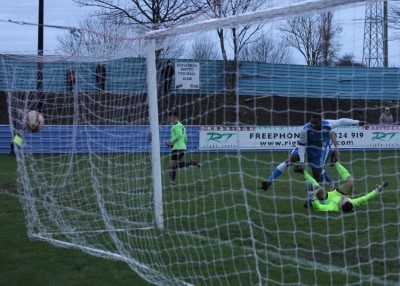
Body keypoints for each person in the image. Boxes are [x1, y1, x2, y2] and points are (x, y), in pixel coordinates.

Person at [261, 131, 339, 191]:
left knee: (318, 170)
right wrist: (301, 161)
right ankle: (269, 181)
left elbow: (333, 134)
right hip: (305, 145)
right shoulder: (308, 126)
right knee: (290, 160)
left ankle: (318, 191)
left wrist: (336, 148)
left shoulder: (329, 124)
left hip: (321, 150)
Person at [300, 162, 388, 212]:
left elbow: (318, 208)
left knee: (318, 188)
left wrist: (312, 197)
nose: (342, 198)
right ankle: (335, 163)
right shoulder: (351, 202)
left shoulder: (332, 208)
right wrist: (378, 189)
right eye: (345, 198)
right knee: (351, 182)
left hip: (325, 197)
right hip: (337, 192)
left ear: (340, 206)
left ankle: (303, 172)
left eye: (342, 200)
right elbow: (365, 198)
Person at [166, 111, 200, 186]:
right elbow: (185, 138)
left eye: (169, 118)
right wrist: (174, 145)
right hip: (181, 147)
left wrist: (170, 141)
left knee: (172, 166)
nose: (169, 119)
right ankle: (190, 163)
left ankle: (172, 182)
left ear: (173, 117)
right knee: (173, 166)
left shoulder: (175, 126)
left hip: (178, 148)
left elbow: (179, 135)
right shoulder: (182, 126)